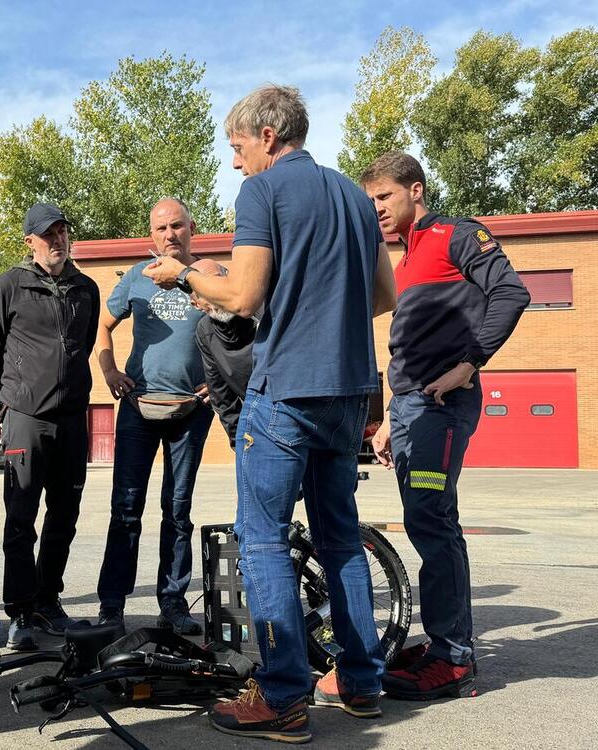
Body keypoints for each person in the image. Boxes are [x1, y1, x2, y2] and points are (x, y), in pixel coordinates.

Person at [143, 84, 397, 742]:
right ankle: (362, 681)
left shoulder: (264, 191)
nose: (235, 163)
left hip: (285, 391)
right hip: (347, 392)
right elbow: (381, 295)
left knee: (261, 542)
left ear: (267, 136)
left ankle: (282, 696)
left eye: (236, 147)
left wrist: (184, 275)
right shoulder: (352, 195)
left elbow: (243, 295)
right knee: (340, 538)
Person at [360, 151, 529, 700]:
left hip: (441, 407)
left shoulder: (455, 235)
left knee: (433, 521)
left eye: (384, 196)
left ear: (416, 189)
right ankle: (442, 644)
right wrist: (387, 419)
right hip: (411, 409)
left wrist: (469, 363)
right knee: (425, 520)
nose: (377, 208)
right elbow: (406, 344)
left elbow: (511, 292)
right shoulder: (402, 258)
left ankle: (453, 659)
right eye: (371, 200)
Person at [0, 203, 100, 650]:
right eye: (48, 235)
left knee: (64, 516)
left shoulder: (85, 288)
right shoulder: (9, 286)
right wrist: (10, 396)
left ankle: (48, 599)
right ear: (30, 241)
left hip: (72, 418)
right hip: (27, 419)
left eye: (63, 232)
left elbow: (83, 346)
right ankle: (21, 611)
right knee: (21, 517)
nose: (57, 241)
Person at [94, 198, 215, 636]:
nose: (169, 234)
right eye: (161, 228)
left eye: (177, 226)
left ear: (191, 228)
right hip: (138, 409)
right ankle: (112, 605)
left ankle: (173, 603)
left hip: (191, 412)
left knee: (177, 510)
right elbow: (104, 326)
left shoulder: (211, 276)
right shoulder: (135, 278)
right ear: (152, 236)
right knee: (126, 509)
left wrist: (216, 381)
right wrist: (109, 370)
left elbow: (242, 328)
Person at [190, 259, 256, 447]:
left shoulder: (260, 310)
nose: (214, 294)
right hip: (255, 418)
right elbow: (220, 394)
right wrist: (240, 441)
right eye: (203, 291)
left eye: (218, 281)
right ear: (196, 304)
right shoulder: (204, 330)